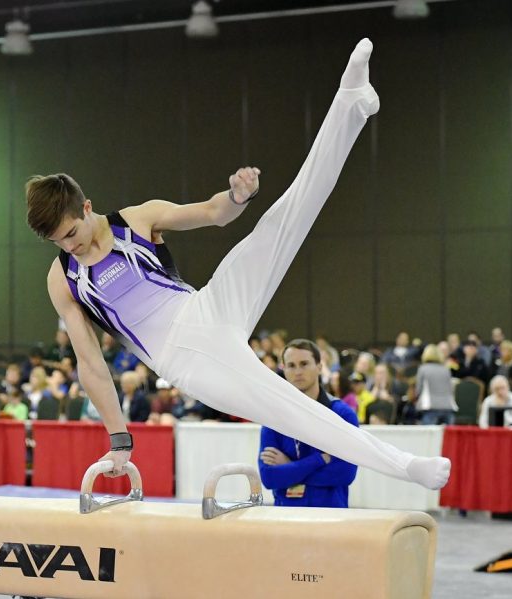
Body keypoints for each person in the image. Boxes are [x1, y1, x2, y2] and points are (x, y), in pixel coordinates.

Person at [28, 39, 449, 490]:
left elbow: (212, 214)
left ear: (87, 207)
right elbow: (90, 363)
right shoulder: (64, 279)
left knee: (283, 220)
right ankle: (405, 466)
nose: (69, 246)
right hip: (184, 360)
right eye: (58, 242)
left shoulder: (135, 220)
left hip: (207, 307)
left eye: (71, 233)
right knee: (290, 407)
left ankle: (350, 102)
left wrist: (236, 197)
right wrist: (119, 437)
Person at [258, 339, 358, 507]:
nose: (298, 371)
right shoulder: (274, 417)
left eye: (304, 364)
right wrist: (319, 460)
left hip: (330, 517)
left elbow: (345, 473)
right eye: (291, 365)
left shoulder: (342, 415)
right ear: (283, 369)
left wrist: (290, 468)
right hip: (286, 518)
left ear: (319, 366)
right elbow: (269, 478)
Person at [415, 344, 457, 425]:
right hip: (448, 406)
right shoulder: (446, 369)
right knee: (447, 437)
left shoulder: (423, 369)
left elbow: (418, 390)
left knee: (429, 437)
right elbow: (451, 389)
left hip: (430, 407)